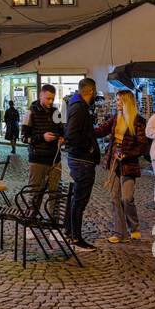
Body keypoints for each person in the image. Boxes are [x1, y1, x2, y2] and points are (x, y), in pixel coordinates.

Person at [63, 78, 111, 250]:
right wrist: (89, 148)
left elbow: (85, 132)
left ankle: (70, 231)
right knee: (80, 200)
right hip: (82, 160)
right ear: (91, 91)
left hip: (80, 159)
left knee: (76, 198)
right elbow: (72, 134)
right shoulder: (79, 107)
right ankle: (76, 237)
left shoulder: (75, 105)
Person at [97, 89, 149, 242]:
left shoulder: (138, 121)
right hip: (114, 162)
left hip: (128, 164)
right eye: (116, 100)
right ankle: (119, 232)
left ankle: (134, 227)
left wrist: (127, 154)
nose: (116, 102)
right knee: (114, 198)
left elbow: (142, 146)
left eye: (119, 100)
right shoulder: (115, 117)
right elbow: (102, 130)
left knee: (127, 198)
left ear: (127, 102)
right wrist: (85, 131)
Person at [21, 84, 63, 217]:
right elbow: (23, 138)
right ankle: (30, 220)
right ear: (40, 96)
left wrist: (62, 138)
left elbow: (62, 131)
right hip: (37, 159)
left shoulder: (56, 112)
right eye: (47, 98)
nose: (50, 102)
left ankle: (53, 222)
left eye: (52, 99)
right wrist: (42, 137)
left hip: (55, 159)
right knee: (35, 192)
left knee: (55, 193)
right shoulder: (31, 112)